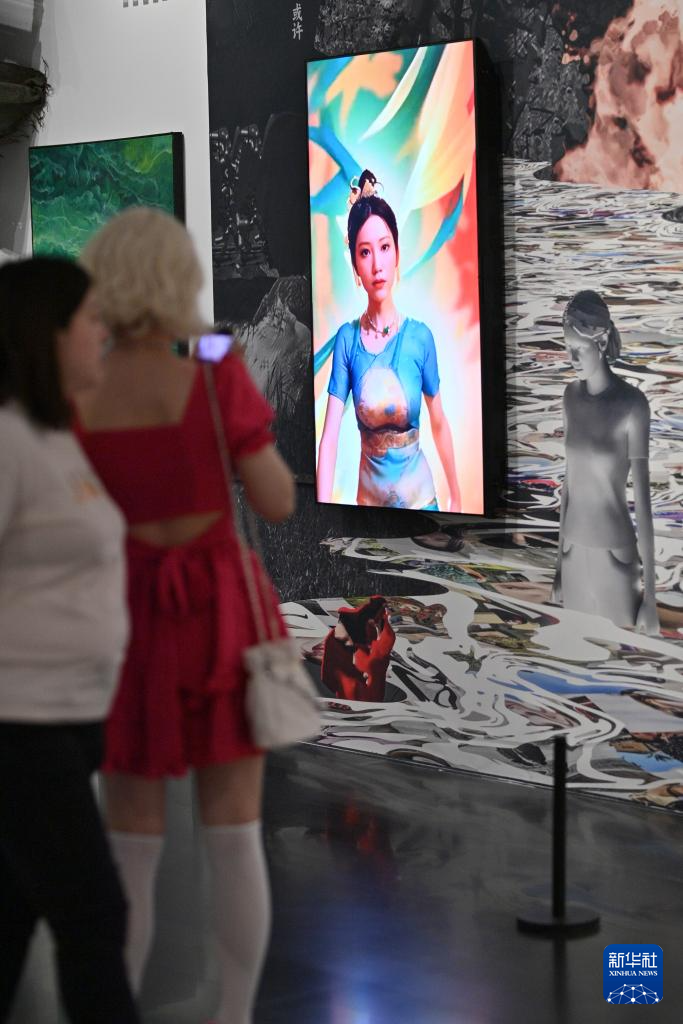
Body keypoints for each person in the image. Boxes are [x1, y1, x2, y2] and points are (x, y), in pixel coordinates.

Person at [74, 207, 295, 1024]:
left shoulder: (83, 390)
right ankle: (232, 1014)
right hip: (218, 618)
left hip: (126, 619)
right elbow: (274, 501)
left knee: (129, 845)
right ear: (177, 280)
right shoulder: (211, 374)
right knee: (233, 835)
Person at [0, 258, 139, 1024]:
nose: (103, 333)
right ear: (47, 335)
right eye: (89, 319)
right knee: (93, 916)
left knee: (12, 916)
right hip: (22, 728)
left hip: (70, 718)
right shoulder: (8, 442)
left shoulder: (54, 437)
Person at [316, 169, 461, 512]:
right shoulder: (348, 340)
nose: (377, 265)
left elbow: (439, 421)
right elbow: (330, 437)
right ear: (355, 265)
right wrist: (322, 511)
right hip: (368, 513)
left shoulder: (420, 337)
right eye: (365, 252)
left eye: (384, 247)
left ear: (397, 253)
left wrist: (456, 495)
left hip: (422, 506)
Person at [551, 290, 658, 634]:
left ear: (601, 340)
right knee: (576, 655)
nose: (572, 358)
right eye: (568, 347)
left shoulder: (632, 405)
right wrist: (558, 567)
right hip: (572, 554)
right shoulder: (570, 397)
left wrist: (651, 598)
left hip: (615, 556)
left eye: (579, 349)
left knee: (619, 658)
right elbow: (569, 482)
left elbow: (643, 504)